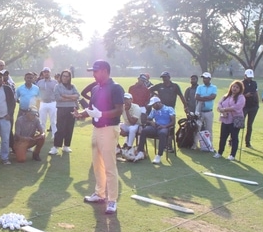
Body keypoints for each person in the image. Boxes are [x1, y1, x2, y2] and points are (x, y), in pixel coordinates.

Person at [74, 60, 124, 214]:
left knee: (109, 166)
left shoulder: (116, 88)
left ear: (104, 71)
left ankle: (112, 200)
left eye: (96, 71)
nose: (94, 74)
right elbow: (90, 109)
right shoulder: (96, 88)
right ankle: (100, 194)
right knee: (97, 164)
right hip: (96, 129)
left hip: (109, 129)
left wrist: (101, 114)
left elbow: (119, 110)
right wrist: (80, 114)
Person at [134, 96, 176, 164]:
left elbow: (173, 122)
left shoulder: (169, 109)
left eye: (153, 105)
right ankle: (140, 151)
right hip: (156, 127)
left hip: (166, 128)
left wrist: (164, 126)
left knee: (162, 134)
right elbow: (148, 119)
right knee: (144, 131)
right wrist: (151, 122)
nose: (152, 106)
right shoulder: (154, 110)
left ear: (158, 103)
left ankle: (159, 155)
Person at [214, 80, 246, 160]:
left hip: (235, 120)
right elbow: (219, 104)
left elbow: (237, 107)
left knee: (234, 137)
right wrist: (221, 110)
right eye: (233, 86)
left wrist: (224, 110)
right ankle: (220, 152)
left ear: (240, 89)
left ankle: (232, 155)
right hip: (225, 119)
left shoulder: (241, 97)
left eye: (237, 87)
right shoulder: (226, 96)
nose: (234, 88)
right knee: (223, 137)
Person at [49, 69, 79, 155]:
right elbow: (58, 98)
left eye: (67, 76)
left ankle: (66, 146)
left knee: (69, 128)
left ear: (70, 77)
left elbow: (77, 96)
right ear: (61, 77)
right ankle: (55, 147)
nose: (65, 78)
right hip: (61, 109)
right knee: (60, 128)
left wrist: (65, 96)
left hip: (71, 109)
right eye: (63, 76)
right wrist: (71, 97)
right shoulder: (57, 86)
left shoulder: (72, 86)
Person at [195, 72, 217, 148]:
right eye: (203, 78)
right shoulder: (200, 87)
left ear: (209, 79)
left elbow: (213, 97)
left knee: (209, 129)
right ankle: (195, 144)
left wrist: (203, 98)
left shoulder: (214, 87)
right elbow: (197, 97)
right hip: (200, 111)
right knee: (197, 128)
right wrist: (207, 98)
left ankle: (210, 145)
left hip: (209, 111)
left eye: (206, 78)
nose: (204, 79)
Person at [37, 67, 58, 138]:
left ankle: (54, 136)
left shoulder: (55, 82)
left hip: (52, 103)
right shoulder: (39, 82)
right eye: (45, 72)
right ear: (43, 73)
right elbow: (37, 93)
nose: (46, 73)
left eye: (47, 72)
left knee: (53, 121)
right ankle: (42, 136)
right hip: (43, 103)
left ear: (50, 73)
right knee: (42, 121)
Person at [242, 69, 259, 148]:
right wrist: (245, 95)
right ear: (245, 76)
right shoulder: (241, 83)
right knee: (239, 124)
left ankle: (247, 142)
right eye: (248, 77)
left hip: (253, 106)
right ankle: (232, 140)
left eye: (251, 77)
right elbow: (237, 95)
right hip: (244, 106)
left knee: (250, 125)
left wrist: (257, 103)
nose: (249, 78)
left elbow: (256, 93)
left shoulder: (254, 83)